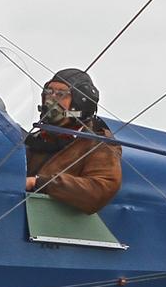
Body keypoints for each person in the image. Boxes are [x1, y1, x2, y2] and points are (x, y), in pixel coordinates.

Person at [25, 67, 122, 214]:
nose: (51, 99)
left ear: (80, 102)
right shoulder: (36, 139)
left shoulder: (98, 145)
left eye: (61, 94)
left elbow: (99, 190)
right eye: (49, 92)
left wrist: (39, 183)